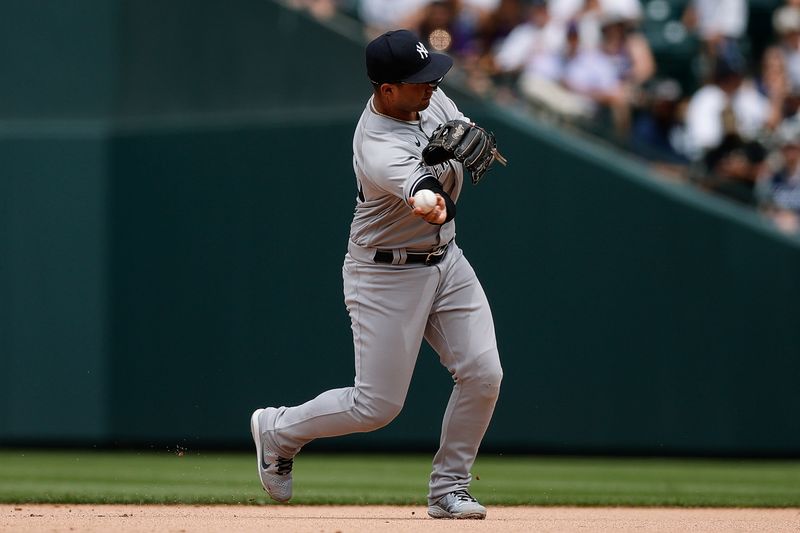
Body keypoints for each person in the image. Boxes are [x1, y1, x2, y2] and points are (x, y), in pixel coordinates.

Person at [250, 29, 504, 520]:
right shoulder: (376, 143)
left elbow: (462, 128)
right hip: (385, 272)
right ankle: (278, 431)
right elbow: (426, 198)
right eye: (419, 80)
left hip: (445, 261)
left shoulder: (429, 97)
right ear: (387, 89)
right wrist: (430, 200)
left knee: (483, 373)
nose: (432, 85)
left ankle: (450, 488)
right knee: (376, 407)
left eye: (433, 75)